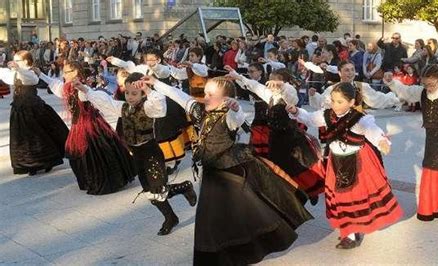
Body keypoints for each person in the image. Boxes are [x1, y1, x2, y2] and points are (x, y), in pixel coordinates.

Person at [144, 75, 312, 265]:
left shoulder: (228, 116)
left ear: (225, 99)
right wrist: (156, 83)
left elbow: (237, 118)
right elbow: (179, 95)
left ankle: (246, 248)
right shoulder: (200, 112)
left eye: (210, 94)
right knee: (211, 219)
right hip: (210, 173)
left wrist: (236, 107)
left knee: (242, 214)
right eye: (205, 93)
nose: (205, 97)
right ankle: (216, 254)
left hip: (230, 174)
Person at [77, 72, 197, 235]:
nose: (130, 97)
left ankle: (184, 187)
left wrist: (148, 91)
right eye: (127, 93)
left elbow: (160, 106)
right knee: (150, 193)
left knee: (159, 189)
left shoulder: (148, 107)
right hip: (137, 155)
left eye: (134, 93)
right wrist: (86, 90)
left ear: (142, 94)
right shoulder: (123, 107)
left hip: (151, 153)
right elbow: (106, 102)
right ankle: (170, 217)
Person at [287, 82, 403, 249]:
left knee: (354, 196)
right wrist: (296, 111)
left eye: (340, 101)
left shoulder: (360, 119)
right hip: (336, 162)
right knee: (340, 197)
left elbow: (372, 129)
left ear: (351, 102)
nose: (335, 105)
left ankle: (351, 232)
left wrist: (382, 141)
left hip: (357, 162)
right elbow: (310, 119)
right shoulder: (327, 115)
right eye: (333, 100)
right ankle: (348, 230)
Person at [383, 65, 438, 220]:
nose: (428, 88)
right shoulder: (421, 92)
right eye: (425, 84)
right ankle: (434, 203)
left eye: (431, 84)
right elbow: (406, 91)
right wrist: (392, 83)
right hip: (432, 138)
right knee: (433, 169)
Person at [227, 68, 325, 204]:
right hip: (275, 141)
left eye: (275, 81)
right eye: (270, 81)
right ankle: (286, 198)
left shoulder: (288, 94)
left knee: (297, 168)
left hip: (291, 141)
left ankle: (308, 192)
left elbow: (292, 96)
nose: (271, 84)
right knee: (278, 171)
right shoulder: (270, 96)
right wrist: (238, 76)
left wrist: (282, 85)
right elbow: (255, 86)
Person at [36, 61, 136, 195]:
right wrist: (41, 74)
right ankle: (88, 180)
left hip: (89, 124)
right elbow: (56, 85)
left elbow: (88, 96)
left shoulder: (80, 87)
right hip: (78, 124)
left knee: (93, 152)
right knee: (77, 155)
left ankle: (102, 180)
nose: (63, 75)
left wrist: (83, 88)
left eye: (66, 72)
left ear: (76, 72)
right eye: (63, 72)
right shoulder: (67, 86)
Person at [0, 50, 69, 175]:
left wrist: (18, 69)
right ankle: (31, 164)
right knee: (24, 138)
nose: (14, 63)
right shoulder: (15, 73)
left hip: (34, 108)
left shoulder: (31, 74)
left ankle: (48, 161)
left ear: (26, 61)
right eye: (14, 60)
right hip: (19, 109)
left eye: (17, 61)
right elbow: (4, 74)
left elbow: (29, 79)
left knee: (39, 136)